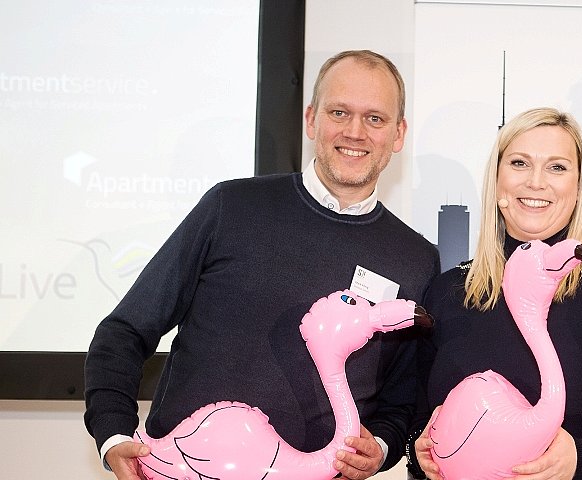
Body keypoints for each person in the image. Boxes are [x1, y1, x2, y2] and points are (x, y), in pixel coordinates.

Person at [83, 50, 440, 480]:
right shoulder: (230, 207)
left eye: (375, 119)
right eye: (339, 112)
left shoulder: (416, 258)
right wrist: (113, 432)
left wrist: (380, 448)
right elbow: (125, 330)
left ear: (398, 134)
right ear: (311, 120)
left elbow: (400, 400)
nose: (354, 131)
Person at [409, 107, 582, 479]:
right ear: (496, 180)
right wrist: (420, 449)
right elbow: (414, 418)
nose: (536, 182)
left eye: (557, 167)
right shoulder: (448, 292)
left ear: (578, 187)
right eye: (519, 163)